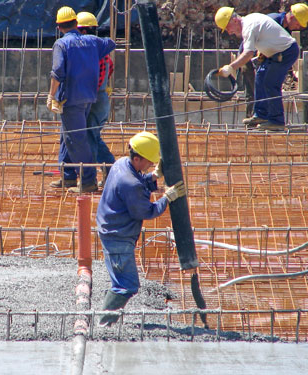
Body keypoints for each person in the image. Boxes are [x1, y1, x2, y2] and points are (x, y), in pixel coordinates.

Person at [96, 131, 186, 326]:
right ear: (136, 158)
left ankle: (106, 317)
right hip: (117, 237)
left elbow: (137, 184)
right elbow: (146, 211)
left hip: (112, 229)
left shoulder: (121, 164)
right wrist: (167, 198)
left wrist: (153, 177)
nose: (151, 166)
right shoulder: (129, 183)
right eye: (149, 163)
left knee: (121, 282)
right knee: (127, 286)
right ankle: (104, 324)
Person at [47, 6, 115, 193]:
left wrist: (51, 95)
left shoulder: (61, 44)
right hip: (87, 98)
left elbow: (57, 73)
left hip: (70, 99)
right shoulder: (91, 41)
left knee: (76, 139)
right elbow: (110, 43)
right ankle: (68, 176)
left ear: (59, 27)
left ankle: (88, 181)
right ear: (76, 24)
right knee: (67, 137)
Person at [215, 7, 300, 132]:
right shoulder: (249, 22)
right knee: (260, 77)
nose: (229, 32)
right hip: (274, 54)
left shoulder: (249, 26)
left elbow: (248, 53)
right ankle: (261, 115)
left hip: (287, 52)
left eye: (228, 27)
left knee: (270, 83)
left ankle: (277, 121)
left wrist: (231, 67)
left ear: (234, 20)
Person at [239, 3, 308, 122]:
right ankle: (259, 116)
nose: (298, 27)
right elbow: (250, 40)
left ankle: (267, 118)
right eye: (298, 23)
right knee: (257, 84)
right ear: (292, 17)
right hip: (247, 55)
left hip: (265, 56)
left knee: (267, 82)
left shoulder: (286, 29)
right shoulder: (273, 20)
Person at [76, 11, 116, 187]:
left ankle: (96, 176)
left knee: (91, 138)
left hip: (96, 100)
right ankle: (110, 171)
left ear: (83, 32)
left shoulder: (94, 53)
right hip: (100, 98)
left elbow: (96, 79)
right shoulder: (100, 50)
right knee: (93, 136)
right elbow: (111, 69)